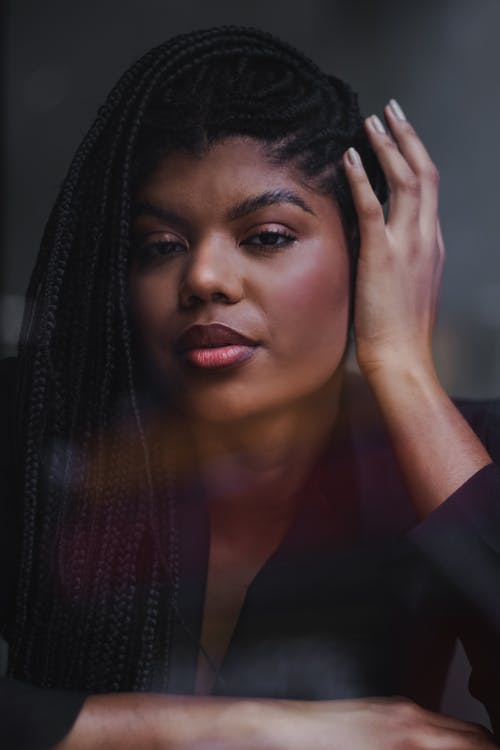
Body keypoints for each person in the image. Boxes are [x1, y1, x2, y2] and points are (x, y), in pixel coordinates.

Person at [1, 24, 499, 749]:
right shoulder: (42, 437)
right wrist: (239, 727)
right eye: (159, 247)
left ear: (369, 260)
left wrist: (401, 365)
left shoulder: (462, 456)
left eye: (267, 236)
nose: (203, 278)